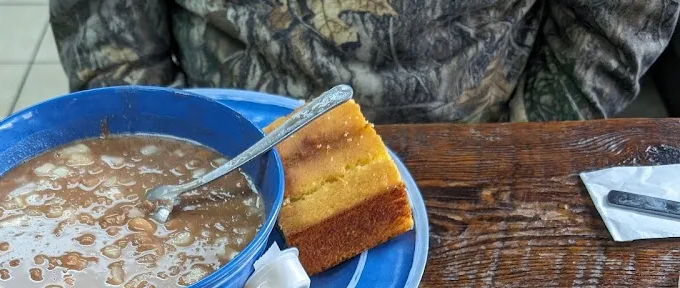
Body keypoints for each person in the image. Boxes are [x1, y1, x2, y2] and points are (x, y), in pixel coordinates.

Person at [50, 0, 680, 124]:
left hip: (471, 145)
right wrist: (168, 150)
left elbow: (617, 20)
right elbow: (109, 42)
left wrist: (520, 149)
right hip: (229, 150)